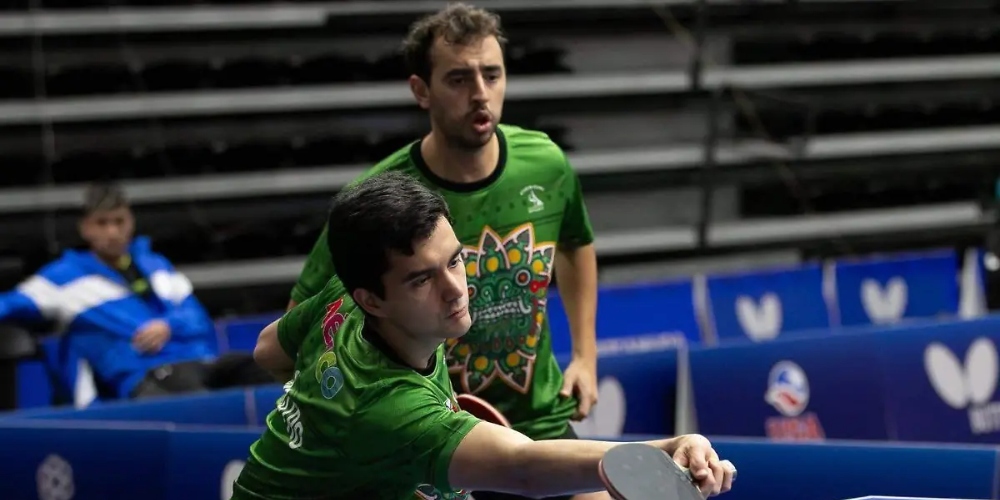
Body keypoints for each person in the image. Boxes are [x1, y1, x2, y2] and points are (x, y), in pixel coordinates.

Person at [234, 171, 735, 500]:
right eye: (421, 279)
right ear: (373, 299)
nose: (456, 290)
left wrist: (331, 431)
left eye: (454, 260)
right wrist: (667, 449)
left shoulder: (346, 298)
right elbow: (524, 466)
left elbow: (267, 350)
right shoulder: (385, 408)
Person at [283, 5, 604, 498]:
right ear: (421, 91)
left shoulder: (545, 162)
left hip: (535, 413)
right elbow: (303, 324)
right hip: (428, 434)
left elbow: (577, 245)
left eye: (491, 74)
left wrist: (585, 354)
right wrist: (378, 434)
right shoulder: (379, 199)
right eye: (458, 78)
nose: (480, 93)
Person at [0, 182, 272, 400]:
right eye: (102, 223)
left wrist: (167, 325)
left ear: (131, 221)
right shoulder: (61, 278)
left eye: (119, 221)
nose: (113, 231)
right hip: (148, 374)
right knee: (212, 408)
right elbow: (9, 303)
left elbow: (198, 319)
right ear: (85, 228)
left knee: (271, 375)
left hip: (202, 361)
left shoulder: (156, 265)